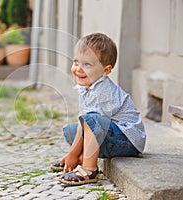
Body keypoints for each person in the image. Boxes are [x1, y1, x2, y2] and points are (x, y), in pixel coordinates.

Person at [51, 33, 146, 186]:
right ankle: (82, 158)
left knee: (92, 120)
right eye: (76, 62)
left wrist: (74, 153)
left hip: (127, 140)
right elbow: (84, 123)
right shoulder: (87, 87)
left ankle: (89, 169)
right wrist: (72, 154)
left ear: (105, 70)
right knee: (71, 129)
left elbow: (94, 123)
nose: (78, 69)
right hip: (109, 135)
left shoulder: (103, 91)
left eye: (87, 64)